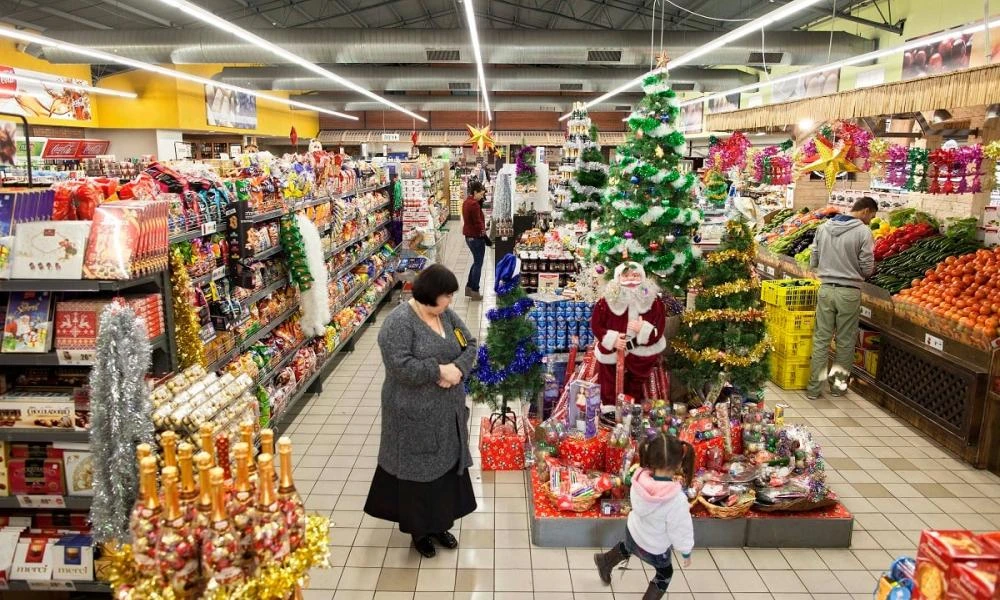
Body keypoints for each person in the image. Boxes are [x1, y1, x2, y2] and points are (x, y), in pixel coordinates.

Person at [364, 264, 478, 558]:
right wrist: (437, 370)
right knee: (418, 476)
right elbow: (400, 366)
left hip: (447, 414)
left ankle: (440, 524)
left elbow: (471, 345)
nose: (450, 301)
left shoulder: (447, 316)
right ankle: (419, 532)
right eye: (447, 295)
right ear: (431, 294)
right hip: (412, 415)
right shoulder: (400, 322)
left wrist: (458, 370)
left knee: (443, 472)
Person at [593, 433, 695, 600]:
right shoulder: (676, 499)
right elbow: (681, 529)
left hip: (634, 531)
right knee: (665, 574)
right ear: (678, 464)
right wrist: (686, 551)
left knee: (628, 546)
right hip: (655, 547)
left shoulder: (639, 479)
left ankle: (605, 562)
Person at [806, 196, 877, 399]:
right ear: (865, 211)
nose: (870, 220)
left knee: (821, 340)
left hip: (826, 289)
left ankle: (814, 388)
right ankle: (837, 387)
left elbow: (814, 258)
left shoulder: (824, 227)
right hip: (849, 292)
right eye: (871, 216)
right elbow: (867, 267)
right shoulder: (863, 232)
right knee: (845, 342)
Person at [590, 261, 667, 405]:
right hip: (614, 348)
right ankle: (609, 407)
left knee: (636, 379)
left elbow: (659, 326)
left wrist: (644, 329)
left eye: (635, 275)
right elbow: (596, 325)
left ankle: (632, 407)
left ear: (643, 277)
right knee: (609, 377)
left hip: (641, 349)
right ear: (617, 278)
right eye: (625, 276)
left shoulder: (654, 301)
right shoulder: (606, 301)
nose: (631, 279)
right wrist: (611, 338)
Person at [462, 180, 490, 300]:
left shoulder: (467, 202)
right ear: (475, 192)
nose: (482, 196)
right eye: (481, 194)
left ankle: (469, 287)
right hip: (476, 237)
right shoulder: (474, 205)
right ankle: (475, 291)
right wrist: (485, 236)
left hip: (469, 237)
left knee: (476, 262)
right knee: (478, 264)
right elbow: (478, 223)